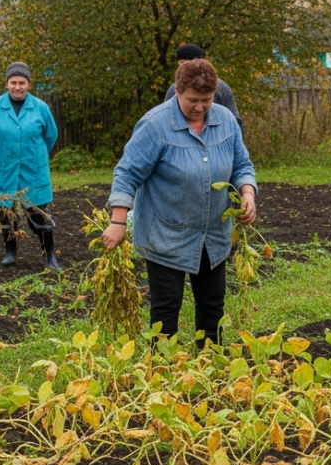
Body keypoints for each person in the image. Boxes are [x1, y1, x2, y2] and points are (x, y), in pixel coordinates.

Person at [103, 59, 256, 346]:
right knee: (165, 311)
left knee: (213, 308)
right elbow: (127, 173)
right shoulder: (155, 125)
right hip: (166, 234)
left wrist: (247, 193)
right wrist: (118, 221)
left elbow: (242, 164)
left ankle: (210, 363)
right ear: (177, 91)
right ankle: (161, 372)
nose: (200, 107)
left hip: (212, 234)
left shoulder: (225, 122)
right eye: (192, 100)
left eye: (206, 100)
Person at [0, 62, 61, 270]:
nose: (17, 87)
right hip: (2, 170)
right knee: (5, 215)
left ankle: (49, 255)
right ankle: (10, 252)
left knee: (38, 218)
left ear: (29, 84)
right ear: (6, 84)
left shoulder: (40, 108)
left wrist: (31, 154)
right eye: (13, 82)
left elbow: (50, 136)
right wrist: (4, 153)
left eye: (21, 82)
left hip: (33, 171)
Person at [163, 44, 241, 127]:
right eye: (181, 65)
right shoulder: (174, 89)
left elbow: (235, 122)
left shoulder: (222, 89)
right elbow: (165, 119)